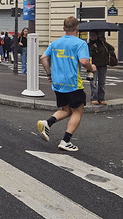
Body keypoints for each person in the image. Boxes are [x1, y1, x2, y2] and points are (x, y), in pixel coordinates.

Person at [37, 16, 94, 153]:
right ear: (77, 28)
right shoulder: (80, 44)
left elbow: (43, 58)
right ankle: (66, 141)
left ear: (64, 28)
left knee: (66, 110)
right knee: (78, 111)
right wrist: (92, 68)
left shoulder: (55, 43)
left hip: (58, 83)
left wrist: (49, 73)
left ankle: (47, 123)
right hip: (73, 83)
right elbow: (85, 62)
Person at [87, 30, 115, 105]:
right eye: (90, 35)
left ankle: (101, 98)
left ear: (97, 36)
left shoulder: (103, 43)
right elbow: (89, 54)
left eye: (93, 35)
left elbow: (111, 48)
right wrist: (93, 48)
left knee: (102, 83)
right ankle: (94, 98)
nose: (91, 37)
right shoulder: (89, 45)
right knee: (93, 83)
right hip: (92, 66)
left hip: (103, 65)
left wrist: (109, 53)